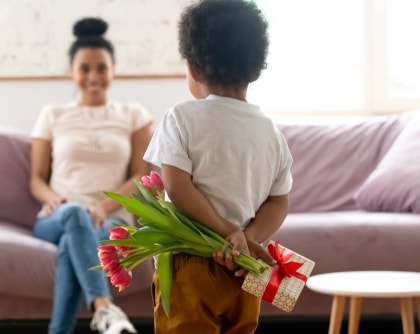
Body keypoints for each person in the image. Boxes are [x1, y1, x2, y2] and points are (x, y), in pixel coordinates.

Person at [143, 0, 293, 333]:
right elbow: (279, 201)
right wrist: (247, 238)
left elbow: (176, 185)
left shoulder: (180, 117)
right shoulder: (271, 132)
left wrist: (227, 232)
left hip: (191, 265)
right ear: (255, 69)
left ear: (193, 68)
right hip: (245, 267)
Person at [29, 17, 153, 334]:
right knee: (73, 215)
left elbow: (141, 175)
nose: (93, 76)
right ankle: (104, 308)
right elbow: (36, 180)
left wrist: (103, 207)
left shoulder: (134, 115)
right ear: (72, 72)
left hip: (110, 221)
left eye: (101, 68)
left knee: (76, 241)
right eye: (85, 69)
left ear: (113, 70)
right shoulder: (52, 114)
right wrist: (54, 199)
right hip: (58, 215)